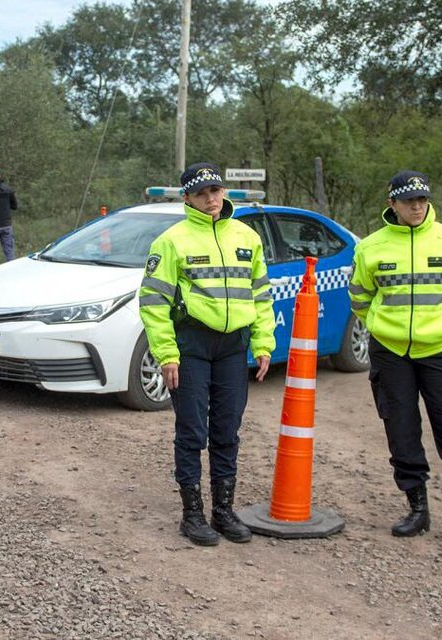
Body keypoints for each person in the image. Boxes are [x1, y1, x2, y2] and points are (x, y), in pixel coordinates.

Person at [349, 170, 442, 555]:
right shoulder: (370, 247)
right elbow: (360, 300)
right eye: (408, 201)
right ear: (392, 205)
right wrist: (385, 329)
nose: (417, 207)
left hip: (439, 352)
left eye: (422, 200)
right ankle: (417, 510)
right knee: (401, 432)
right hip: (391, 354)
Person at [139, 162, 275, 546]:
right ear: (187, 198)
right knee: (192, 430)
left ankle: (224, 511)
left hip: (234, 346)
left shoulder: (247, 236)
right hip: (190, 347)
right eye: (201, 193)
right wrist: (166, 354)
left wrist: (263, 343)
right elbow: (152, 302)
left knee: (227, 430)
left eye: (216, 191)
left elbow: (261, 295)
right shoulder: (171, 241)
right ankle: (193, 514)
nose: (211, 199)